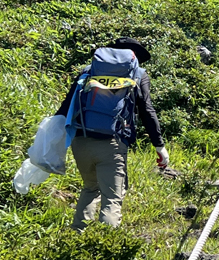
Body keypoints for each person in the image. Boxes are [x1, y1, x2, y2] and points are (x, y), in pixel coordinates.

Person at [55, 37, 168, 229]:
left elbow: (66, 106)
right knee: (112, 199)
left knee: (90, 188)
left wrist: (52, 139)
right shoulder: (138, 74)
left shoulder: (89, 71)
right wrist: (159, 146)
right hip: (111, 144)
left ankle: (75, 243)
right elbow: (147, 110)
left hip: (81, 140)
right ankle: (106, 250)